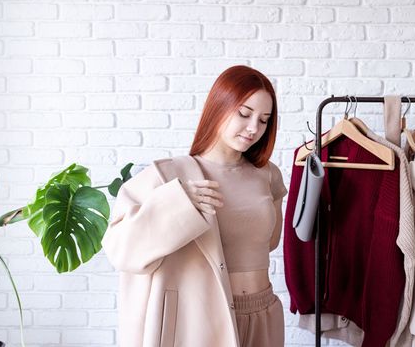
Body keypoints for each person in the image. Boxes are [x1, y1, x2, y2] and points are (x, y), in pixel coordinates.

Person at [101, 65, 288, 347]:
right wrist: (177, 201)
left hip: (263, 312)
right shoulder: (170, 175)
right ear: (219, 106)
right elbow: (119, 250)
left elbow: (268, 243)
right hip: (203, 318)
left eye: (264, 120)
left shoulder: (268, 175)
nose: (254, 128)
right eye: (244, 114)